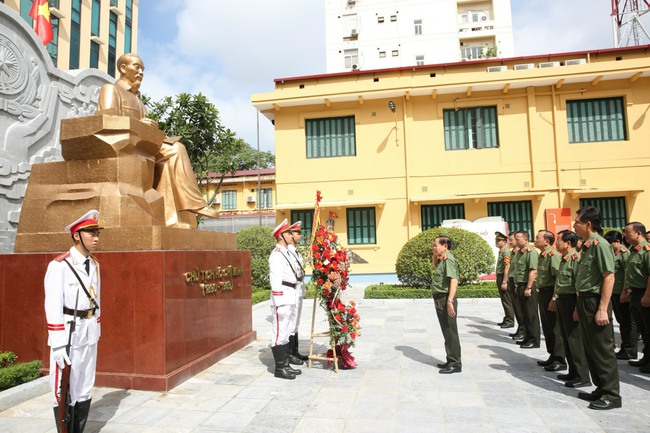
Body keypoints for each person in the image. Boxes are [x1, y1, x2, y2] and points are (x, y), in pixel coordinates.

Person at [96, 53, 217, 228]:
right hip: (124, 145)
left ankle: (171, 220)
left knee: (172, 154)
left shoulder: (138, 100)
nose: (141, 72)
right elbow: (105, 119)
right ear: (123, 68)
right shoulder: (111, 89)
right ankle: (197, 203)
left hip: (144, 145)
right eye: (136, 67)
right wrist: (138, 123)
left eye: (143, 69)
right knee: (176, 149)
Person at [45, 210, 103, 433]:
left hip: (89, 332)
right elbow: (52, 306)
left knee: (85, 385)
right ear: (77, 235)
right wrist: (58, 343)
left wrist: (96, 329)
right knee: (63, 388)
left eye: (97, 233)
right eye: (91, 233)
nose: (96, 238)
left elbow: (97, 301)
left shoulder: (95, 265)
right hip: (69, 332)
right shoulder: (59, 266)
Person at [573, 206, 621, 410]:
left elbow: (608, 277)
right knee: (590, 347)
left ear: (588, 224)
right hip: (584, 300)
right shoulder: (588, 246)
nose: (574, 225)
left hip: (595, 301)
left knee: (602, 349)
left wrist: (602, 308)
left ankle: (612, 395)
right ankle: (601, 388)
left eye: (577, 221)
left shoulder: (600, 245)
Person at [551, 230, 591, 388]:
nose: (556, 243)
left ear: (568, 243)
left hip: (571, 302)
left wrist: (576, 308)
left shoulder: (576, 259)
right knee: (567, 338)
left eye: (559, 240)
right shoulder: (564, 259)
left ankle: (582, 376)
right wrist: (554, 299)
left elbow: (578, 286)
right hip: (562, 301)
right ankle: (573, 372)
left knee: (575, 339)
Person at [268, 219, 302, 379]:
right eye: (288, 233)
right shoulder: (276, 255)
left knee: (286, 331)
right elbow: (275, 280)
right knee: (279, 332)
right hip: (282, 297)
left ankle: (286, 364)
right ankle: (280, 368)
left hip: (291, 295)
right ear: (281, 236)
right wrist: (279, 302)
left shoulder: (286, 253)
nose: (291, 235)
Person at [534, 230, 566, 371]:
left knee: (555, 327)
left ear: (547, 241)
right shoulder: (543, 256)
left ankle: (560, 359)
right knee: (547, 326)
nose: (535, 240)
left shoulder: (553, 256)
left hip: (550, 293)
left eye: (538, 238)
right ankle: (552, 355)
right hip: (543, 293)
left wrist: (554, 298)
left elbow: (557, 280)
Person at [621, 222, 650, 372]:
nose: (625, 236)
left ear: (638, 233)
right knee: (643, 328)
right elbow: (629, 274)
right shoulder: (633, 251)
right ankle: (646, 358)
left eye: (628, 233)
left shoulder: (647, 251)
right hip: (635, 293)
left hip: (644, 292)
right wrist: (626, 291)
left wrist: (647, 295)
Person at [431, 236, 462, 374]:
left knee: (450, 331)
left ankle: (455, 363)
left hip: (445, 298)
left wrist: (450, 301)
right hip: (440, 297)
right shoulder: (442, 259)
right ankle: (450, 359)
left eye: (436, 245)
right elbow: (433, 266)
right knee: (446, 330)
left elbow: (454, 280)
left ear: (445, 246)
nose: (433, 247)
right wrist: (435, 253)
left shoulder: (449, 259)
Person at [604, 230, 637, 360]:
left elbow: (627, 275)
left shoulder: (624, 253)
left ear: (617, 242)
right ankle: (625, 347)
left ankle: (630, 349)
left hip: (621, 292)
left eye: (610, 243)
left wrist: (625, 291)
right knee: (622, 321)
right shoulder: (614, 253)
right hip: (615, 292)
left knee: (628, 322)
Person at [513, 230, 540, 349]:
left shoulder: (531, 252)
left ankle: (534, 339)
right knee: (524, 314)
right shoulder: (520, 252)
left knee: (531, 314)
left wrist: (528, 287)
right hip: (521, 285)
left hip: (528, 286)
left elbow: (533, 271)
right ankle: (527, 337)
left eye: (518, 239)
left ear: (526, 239)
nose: (516, 241)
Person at [287, 221, 309, 363]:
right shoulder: (288, 252)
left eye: (300, 233)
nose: (300, 235)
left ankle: (295, 351)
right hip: (292, 290)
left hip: (299, 289)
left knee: (296, 322)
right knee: (291, 321)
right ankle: (289, 354)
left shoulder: (296, 252)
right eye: (297, 233)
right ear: (290, 235)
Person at [507, 233, 526, 341]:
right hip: (513, 280)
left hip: (517, 282)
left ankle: (523, 331)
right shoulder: (514, 253)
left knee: (520, 309)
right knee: (516, 307)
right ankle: (520, 328)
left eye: (512, 240)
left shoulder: (521, 253)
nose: (511, 242)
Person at [495, 231, 515, 329]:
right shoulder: (502, 251)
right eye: (496, 240)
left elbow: (507, 266)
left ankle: (510, 320)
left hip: (503, 277)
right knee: (504, 299)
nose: (496, 242)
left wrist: (504, 281)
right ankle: (507, 317)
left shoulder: (506, 251)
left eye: (499, 241)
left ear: (504, 242)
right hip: (500, 276)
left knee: (507, 300)